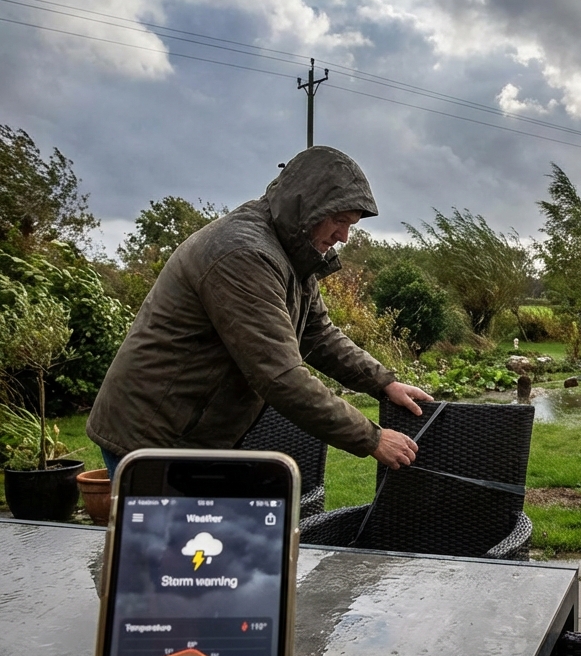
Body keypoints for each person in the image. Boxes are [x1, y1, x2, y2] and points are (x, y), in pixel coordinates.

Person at [87, 146, 432, 474]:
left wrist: (384, 383)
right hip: (154, 436)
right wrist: (371, 438)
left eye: (350, 225)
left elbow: (318, 334)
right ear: (306, 207)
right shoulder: (243, 254)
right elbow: (279, 375)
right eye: (338, 220)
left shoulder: (293, 251)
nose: (343, 236)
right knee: (170, 522)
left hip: (192, 433)